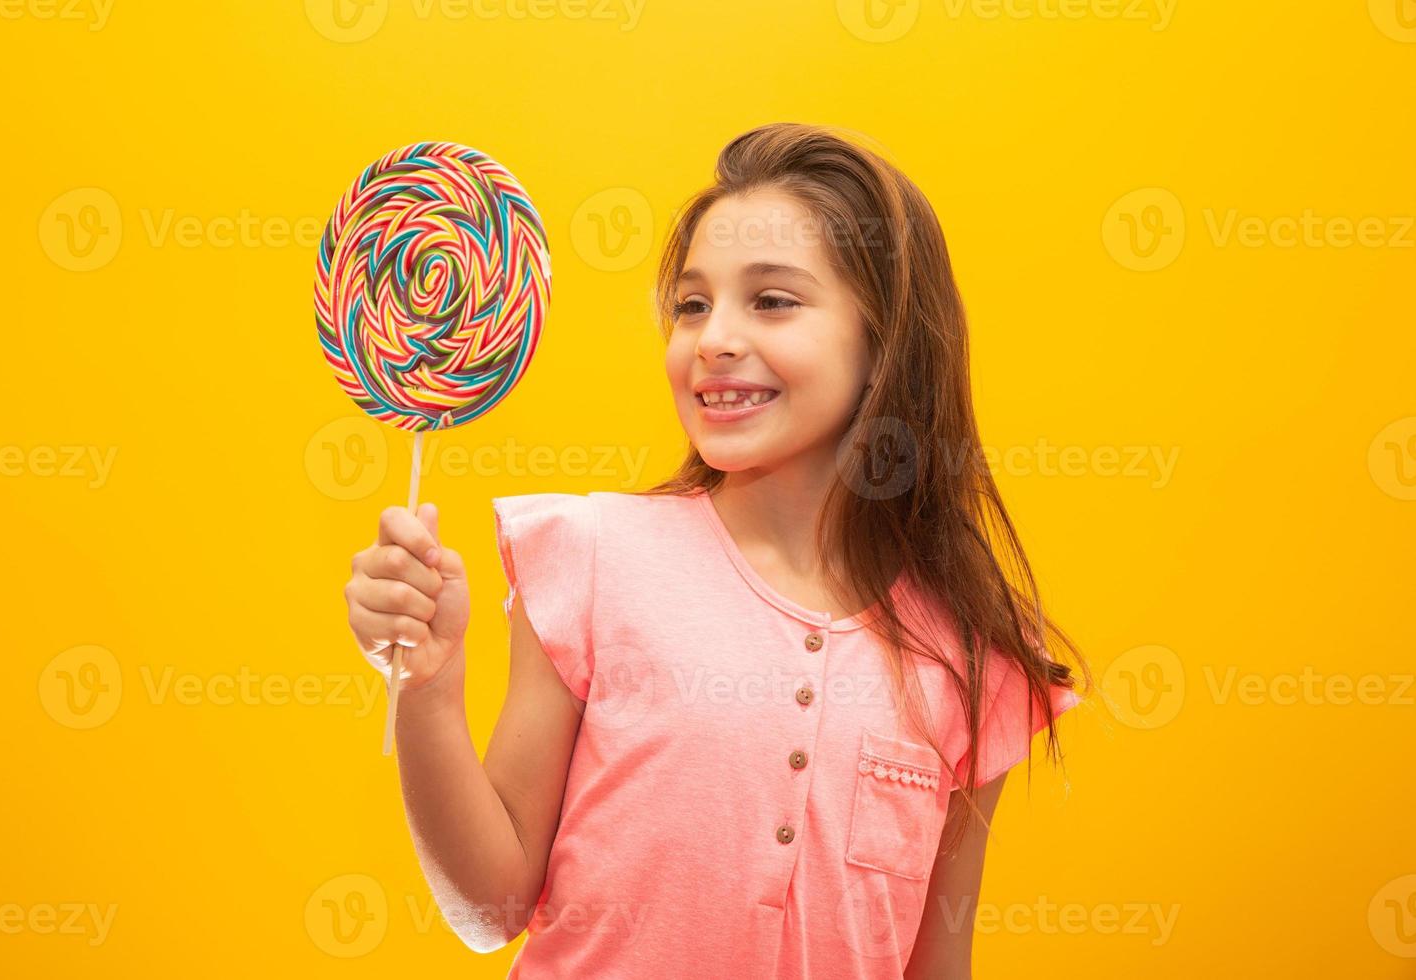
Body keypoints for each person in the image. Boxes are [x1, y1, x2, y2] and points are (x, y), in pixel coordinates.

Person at [342, 121, 1092, 979]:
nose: (712, 339)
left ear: (884, 343)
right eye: (692, 305)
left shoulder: (969, 655)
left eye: (772, 300)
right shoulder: (593, 561)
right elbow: (490, 908)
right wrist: (431, 693)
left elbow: (939, 962)